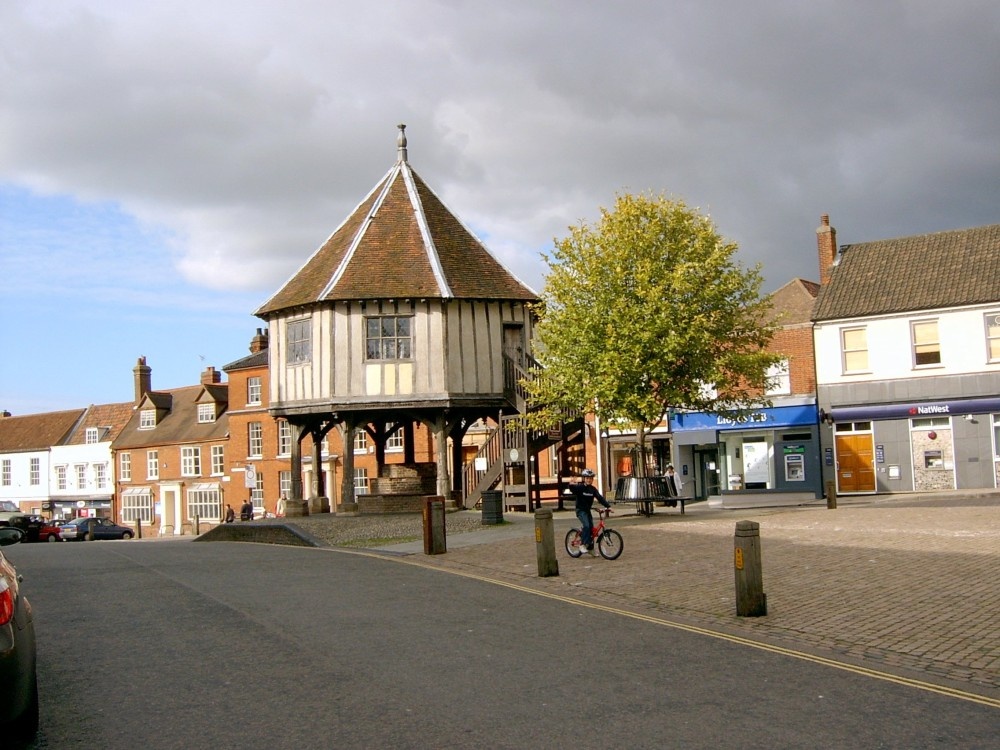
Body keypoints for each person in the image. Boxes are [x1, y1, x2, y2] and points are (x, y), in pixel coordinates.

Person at [568, 468, 611, 556]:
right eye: (587, 478)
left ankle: (590, 549)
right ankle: (582, 544)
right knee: (587, 525)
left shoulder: (593, 489)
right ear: (584, 479)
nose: (589, 480)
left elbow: (600, 498)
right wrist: (571, 484)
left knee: (591, 529)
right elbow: (573, 489)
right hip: (580, 510)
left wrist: (608, 506)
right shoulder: (580, 487)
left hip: (587, 511)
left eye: (590, 478)